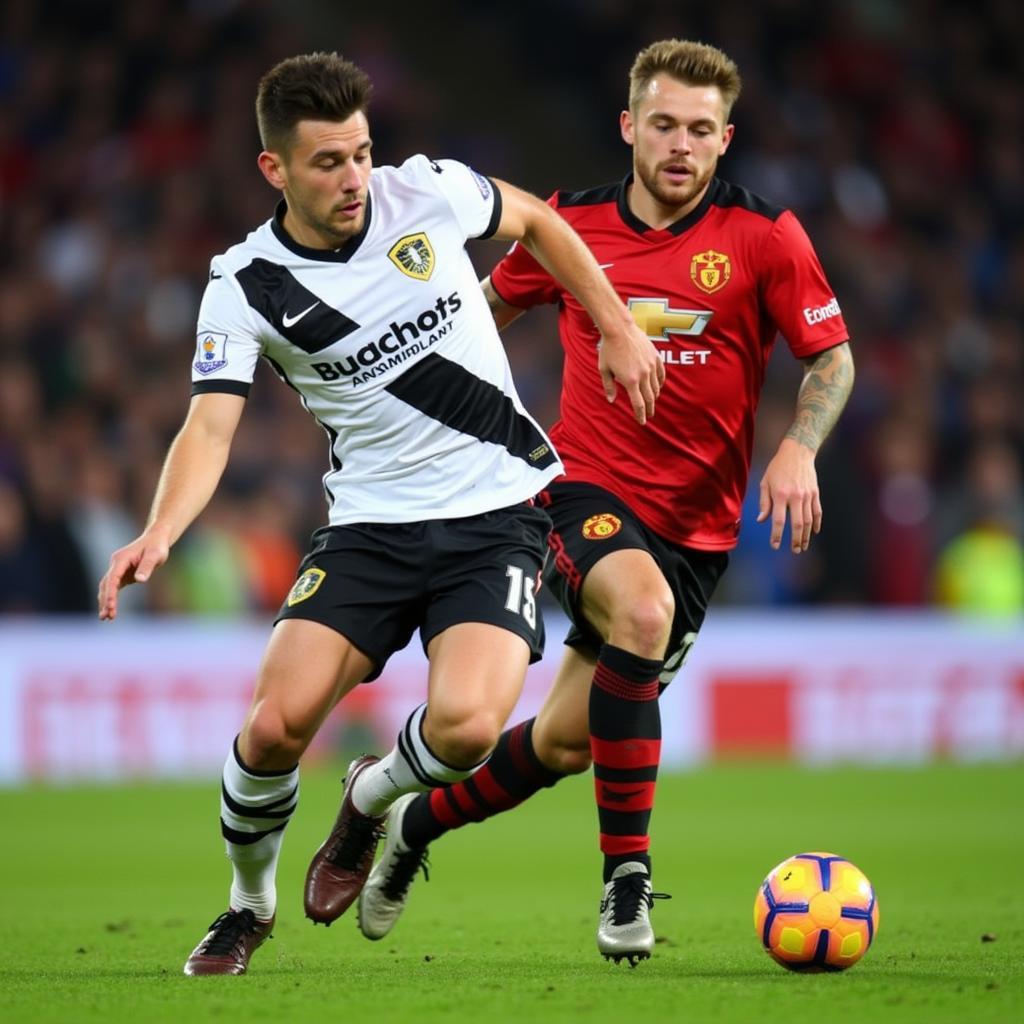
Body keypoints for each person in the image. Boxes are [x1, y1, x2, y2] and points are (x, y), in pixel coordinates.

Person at [96, 52, 663, 977]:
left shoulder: (428, 191)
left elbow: (542, 223)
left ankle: (370, 799)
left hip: (497, 510)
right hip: (368, 528)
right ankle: (248, 905)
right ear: (274, 169)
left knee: (471, 728)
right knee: (275, 727)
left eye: (361, 153)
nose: (355, 177)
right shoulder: (245, 284)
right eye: (328, 162)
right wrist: (161, 530)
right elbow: (208, 426)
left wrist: (617, 323)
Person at [355, 38, 856, 965]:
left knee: (563, 743)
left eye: (700, 131)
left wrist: (797, 443)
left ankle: (416, 825)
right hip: (574, 489)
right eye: (663, 124)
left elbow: (830, 354)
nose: (680, 145)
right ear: (630, 126)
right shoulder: (570, 225)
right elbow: (479, 315)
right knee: (641, 606)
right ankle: (627, 883)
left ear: (725, 140)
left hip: (698, 531)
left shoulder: (765, 236)